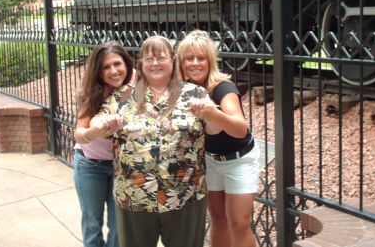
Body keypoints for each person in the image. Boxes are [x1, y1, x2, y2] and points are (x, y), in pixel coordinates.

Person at [94, 35, 216, 247]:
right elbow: (98, 122)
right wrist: (101, 126)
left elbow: (214, 129)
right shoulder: (121, 96)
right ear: (141, 63)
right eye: (149, 59)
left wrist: (213, 116)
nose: (155, 63)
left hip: (185, 196)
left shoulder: (195, 93)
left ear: (172, 60)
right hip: (134, 198)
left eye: (161, 57)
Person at [177, 30, 260, 247]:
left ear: (210, 61)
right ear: (181, 62)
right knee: (218, 218)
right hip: (212, 160)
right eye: (189, 58)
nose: (195, 63)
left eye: (201, 58)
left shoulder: (223, 89)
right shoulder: (184, 89)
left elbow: (240, 129)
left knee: (239, 223)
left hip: (239, 160)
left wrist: (215, 114)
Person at [73, 41, 134, 247]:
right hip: (91, 165)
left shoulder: (138, 89)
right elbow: (79, 134)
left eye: (117, 64)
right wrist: (93, 132)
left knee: (119, 226)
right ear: (97, 71)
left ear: (126, 63)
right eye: (106, 67)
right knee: (92, 223)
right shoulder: (92, 93)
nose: (114, 71)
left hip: (121, 168)